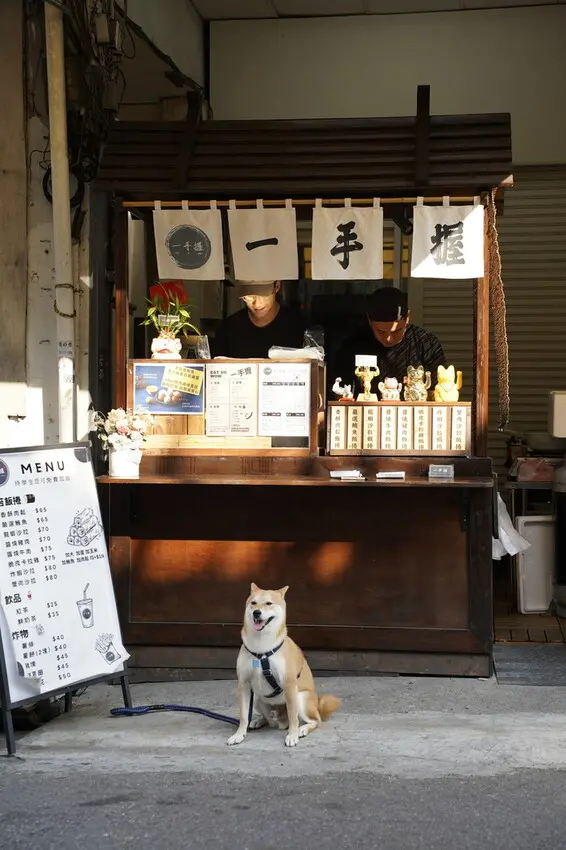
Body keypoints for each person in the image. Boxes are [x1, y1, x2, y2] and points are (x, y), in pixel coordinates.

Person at [330, 287, 446, 398]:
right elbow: (340, 390)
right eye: (381, 332)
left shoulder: (426, 343)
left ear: (407, 318)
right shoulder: (353, 345)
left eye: (396, 331)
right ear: (370, 321)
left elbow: (438, 390)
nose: (388, 338)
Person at [212, 281, 305, 359]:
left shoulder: (299, 325)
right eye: (249, 296)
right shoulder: (228, 328)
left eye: (264, 295)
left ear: (277, 286)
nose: (257, 304)